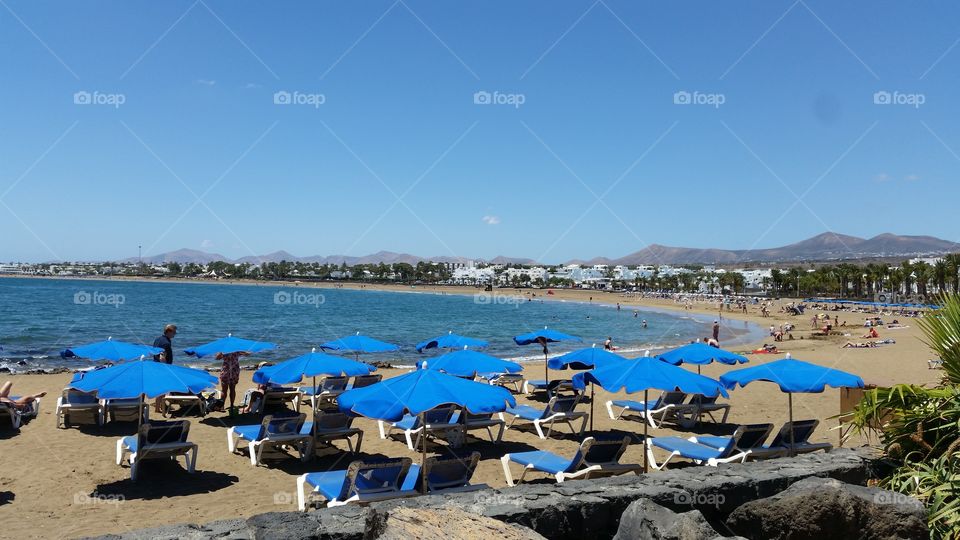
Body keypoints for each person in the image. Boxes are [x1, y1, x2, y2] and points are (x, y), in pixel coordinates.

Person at [152, 324, 176, 413]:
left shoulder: (157, 339)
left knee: (160, 387)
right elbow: (162, 357)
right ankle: (158, 408)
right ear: (169, 331)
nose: (175, 334)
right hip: (162, 367)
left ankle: (160, 406)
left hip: (155, 365)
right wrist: (166, 368)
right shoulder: (166, 342)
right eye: (174, 332)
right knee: (162, 388)